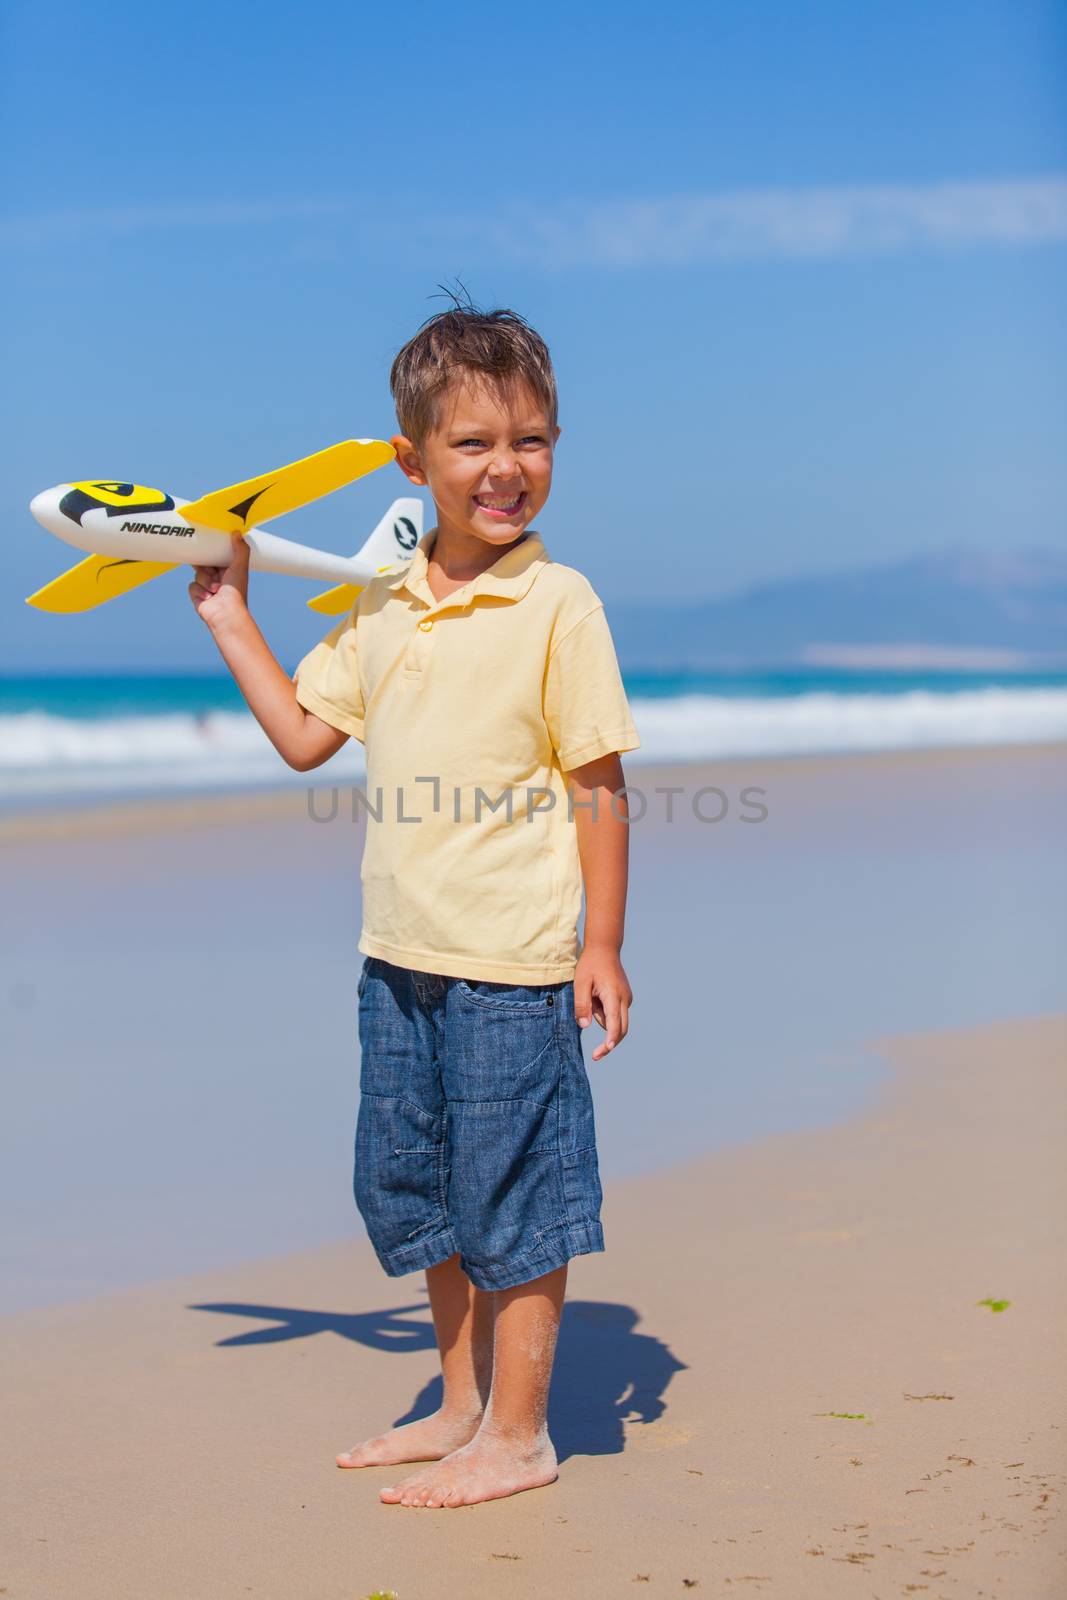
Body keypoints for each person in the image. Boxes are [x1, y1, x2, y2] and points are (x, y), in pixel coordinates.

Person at [188, 303, 640, 1508]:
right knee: (415, 1184)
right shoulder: (380, 603)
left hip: (514, 962)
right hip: (397, 956)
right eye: (474, 443)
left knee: (512, 1191)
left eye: (533, 440)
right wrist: (231, 615)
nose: (507, 468)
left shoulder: (560, 604)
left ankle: (522, 1430)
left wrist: (600, 945)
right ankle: (456, 1406)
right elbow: (299, 736)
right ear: (411, 460)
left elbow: (598, 784)